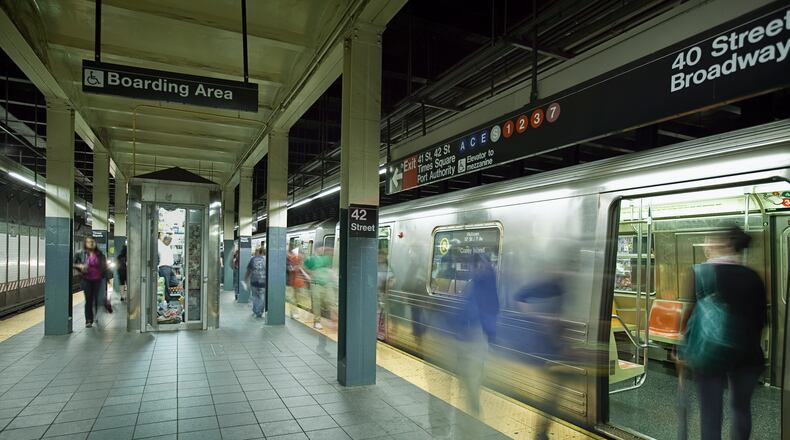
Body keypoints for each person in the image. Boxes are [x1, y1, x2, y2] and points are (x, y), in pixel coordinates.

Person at [681, 225, 766, 440]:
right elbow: (762, 320)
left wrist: (681, 349)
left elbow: (688, 316)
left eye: (710, 239)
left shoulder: (701, 272)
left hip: (709, 353)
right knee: (741, 410)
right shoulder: (754, 276)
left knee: (710, 413)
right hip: (748, 354)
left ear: (724, 243)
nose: (706, 244)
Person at [455, 252, 499, 416]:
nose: (474, 269)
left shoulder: (479, 283)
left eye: (477, 266)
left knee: (472, 368)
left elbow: (474, 309)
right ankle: (471, 396)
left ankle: (473, 401)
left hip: (476, 332)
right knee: (473, 368)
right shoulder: (484, 282)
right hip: (478, 333)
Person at [74, 236, 109, 328]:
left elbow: (104, 267)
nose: (90, 243)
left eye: (92, 242)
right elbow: (73, 263)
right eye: (88, 242)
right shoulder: (80, 253)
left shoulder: (100, 254)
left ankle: (95, 315)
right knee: (88, 299)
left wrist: (106, 279)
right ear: (85, 243)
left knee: (97, 299)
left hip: (98, 280)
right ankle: (88, 320)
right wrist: (80, 266)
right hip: (86, 280)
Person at [245, 246, 267, 318]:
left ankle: (256, 310)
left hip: (254, 281)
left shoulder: (253, 259)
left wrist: (246, 278)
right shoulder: (267, 259)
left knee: (254, 296)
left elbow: (249, 270)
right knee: (262, 296)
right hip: (263, 281)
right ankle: (259, 311)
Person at [158, 234, 178, 300]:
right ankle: (167, 299)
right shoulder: (160, 245)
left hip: (169, 268)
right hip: (163, 267)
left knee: (175, 282)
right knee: (166, 284)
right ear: (164, 240)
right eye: (169, 240)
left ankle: (168, 296)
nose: (170, 242)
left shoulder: (168, 247)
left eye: (170, 241)